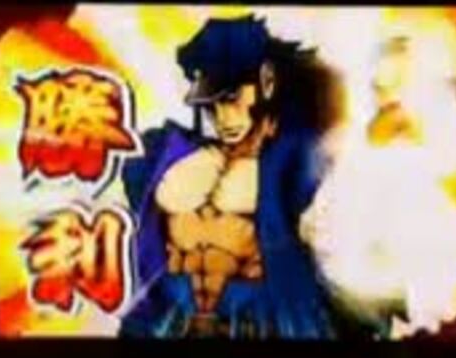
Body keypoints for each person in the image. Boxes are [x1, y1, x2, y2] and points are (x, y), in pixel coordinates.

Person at [120, 16, 341, 339]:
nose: (223, 118)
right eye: (212, 104)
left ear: (266, 81)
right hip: (172, 328)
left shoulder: (296, 154)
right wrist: (165, 173)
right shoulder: (175, 152)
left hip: (269, 330)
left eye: (232, 99)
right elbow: (138, 171)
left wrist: (268, 187)